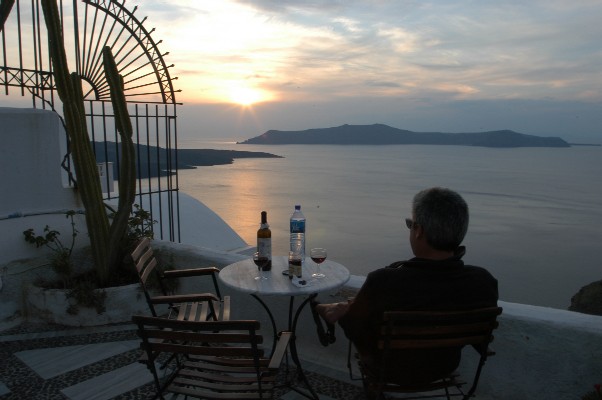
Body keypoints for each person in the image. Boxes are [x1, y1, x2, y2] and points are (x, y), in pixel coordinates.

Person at [315, 187, 498, 385]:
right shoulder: (483, 281)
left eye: (410, 224)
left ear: (419, 231)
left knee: (349, 314)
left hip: (388, 370)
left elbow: (355, 332)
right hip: (443, 367)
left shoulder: (385, 281)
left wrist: (348, 311)